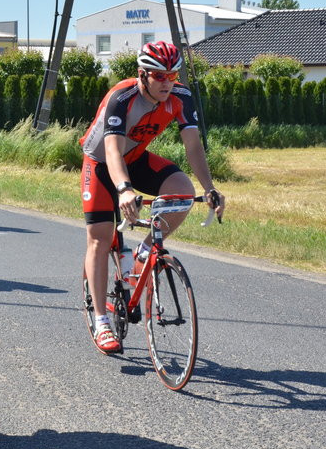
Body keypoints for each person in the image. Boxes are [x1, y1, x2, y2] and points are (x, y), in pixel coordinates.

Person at [79, 41, 226, 353]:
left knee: (183, 191)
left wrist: (209, 188)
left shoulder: (181, 97)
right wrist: (124, 190)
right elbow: (112, 151)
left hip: (136, 159)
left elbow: (193, 146)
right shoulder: (122, 97)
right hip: (101, 164)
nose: (167, 83)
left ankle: (145, 251)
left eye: (172, 76)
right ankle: (102, 321)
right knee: (100, 238)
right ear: (142, 74)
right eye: (159, 76)